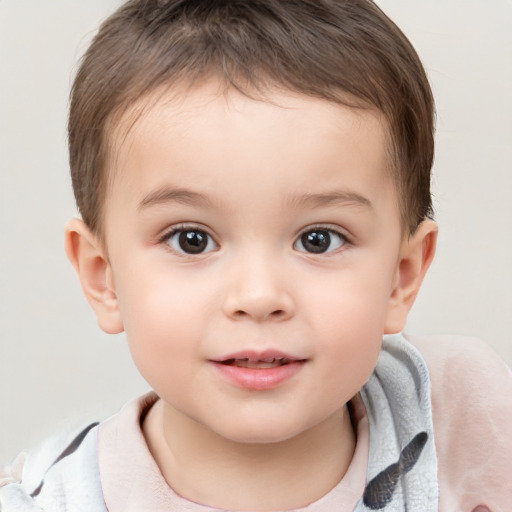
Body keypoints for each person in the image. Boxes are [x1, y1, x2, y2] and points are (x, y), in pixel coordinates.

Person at [1, 0, 510, 510]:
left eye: (319, 239)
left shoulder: (464, 420)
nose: (259, 296)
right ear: (103, 277)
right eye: (191, 239)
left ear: (403, 276)